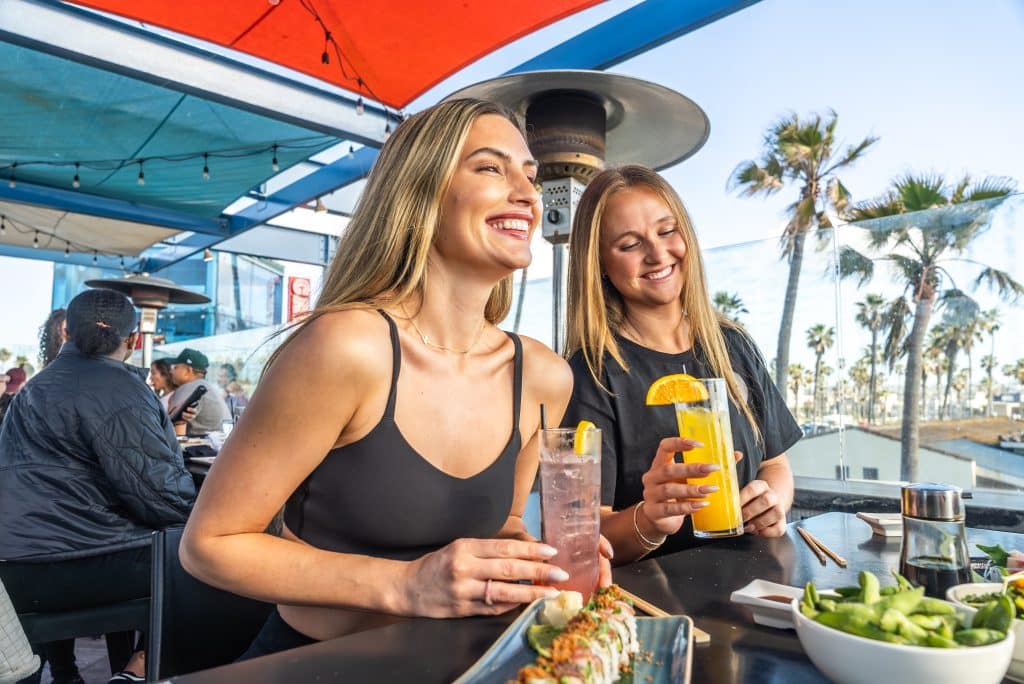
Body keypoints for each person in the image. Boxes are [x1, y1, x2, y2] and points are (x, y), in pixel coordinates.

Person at [180, 98, 608, 659]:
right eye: (489, 167)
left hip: (461, 659)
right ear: (420, 190)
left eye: (530, 175)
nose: (528, 194)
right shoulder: (348, 347)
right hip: (316, 664)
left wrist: (533, 567)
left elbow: (500, 526)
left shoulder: (544, 377)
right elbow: (210, 546)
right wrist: (407, 584)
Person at [563, 165, 802, 565]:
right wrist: (651, 518)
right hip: (657, 604)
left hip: (755, 584)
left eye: (667, 231)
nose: (657, 254)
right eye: (629, 244)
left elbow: (775, 464)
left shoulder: (733, 345)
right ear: (599, 264)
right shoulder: (589, 374)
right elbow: (585, 535)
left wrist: (772, 500)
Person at [0, 288, 196, 683]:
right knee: (207, 557)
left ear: (68, 332)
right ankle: (140, 668)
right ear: (134, 340)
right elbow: (163, 498)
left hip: (17, 568)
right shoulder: (121, 389)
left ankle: (79, 672)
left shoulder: (34, 388)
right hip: (79, 565)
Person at [167, 349, 229, 435]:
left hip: (202, 445)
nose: (171, 371)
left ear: (188, 371)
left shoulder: (187, 388)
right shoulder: (206, 386)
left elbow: (172, 431)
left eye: (175, 367)